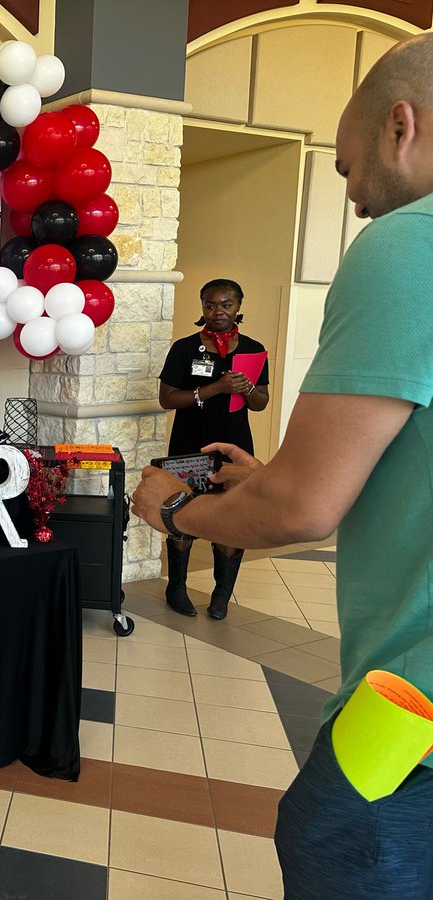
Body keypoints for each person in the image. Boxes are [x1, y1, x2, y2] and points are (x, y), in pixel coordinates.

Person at [132, 32, 433, 898]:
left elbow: (306, 510)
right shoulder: (191, 347)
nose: (356, 199)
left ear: (398, 127)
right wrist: (265, 477)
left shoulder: (409, 245)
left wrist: (173, 513)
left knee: (331, 839)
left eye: (343, 171)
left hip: (411, 709)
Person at [156, 279, 269, 619]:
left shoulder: (253, 349)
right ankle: (176, 588)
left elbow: (260, 403)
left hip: (234, 448)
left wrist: (247, 388)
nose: (218, 311)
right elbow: (166, 399)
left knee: (232, 518)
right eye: (210, 305)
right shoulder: (185, 348)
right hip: (189, 444)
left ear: (238, 307)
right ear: (202, 306)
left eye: (226, 304)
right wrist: (215, 387)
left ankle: (222, 594)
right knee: (182, 513)